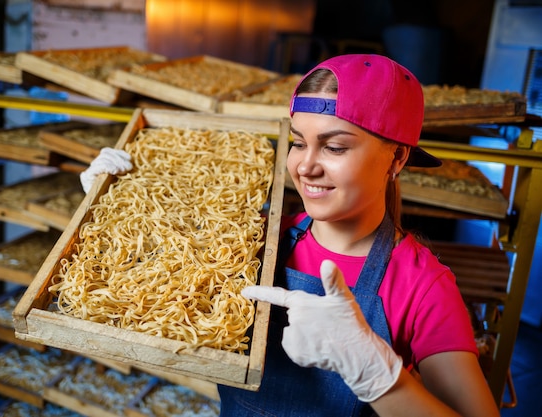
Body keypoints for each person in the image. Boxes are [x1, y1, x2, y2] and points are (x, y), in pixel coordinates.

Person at [80, 54, 500, 417]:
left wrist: (378, 376)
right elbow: (148, 284)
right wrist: (112, 201)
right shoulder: (258, 237)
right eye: (299, 143)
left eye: (334, 147)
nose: (306, 167)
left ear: (397, 157)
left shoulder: (422, 285)